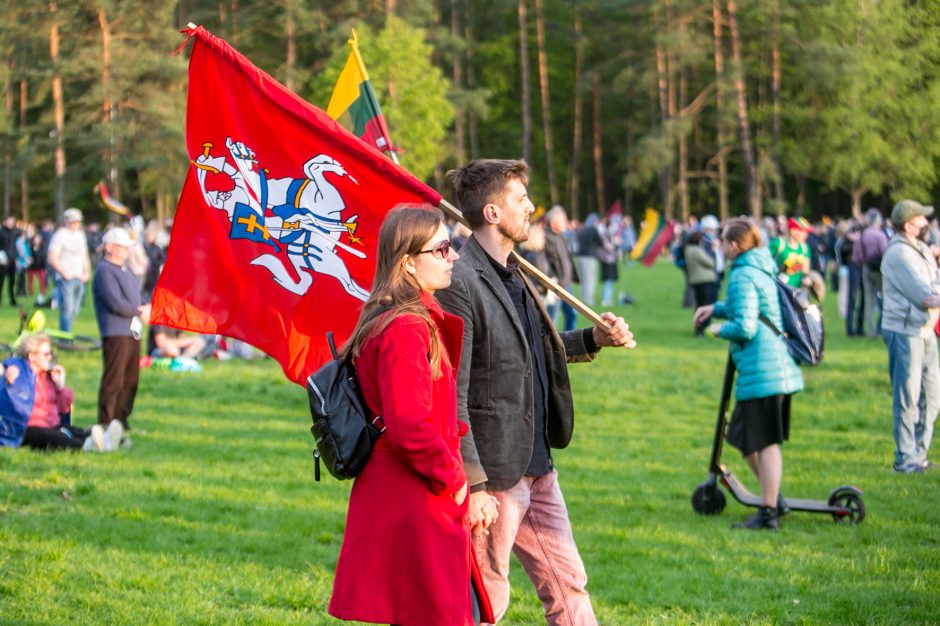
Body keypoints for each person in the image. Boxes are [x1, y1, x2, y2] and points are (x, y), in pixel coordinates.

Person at [437, 159, 635, 625]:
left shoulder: (516, 271)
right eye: (520, 199)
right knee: (486, 597)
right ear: (491, 212)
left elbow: (529, 351)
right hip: (496, 474)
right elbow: (454, 391)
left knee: (569, 587)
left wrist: (592, 339)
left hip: (539, 466)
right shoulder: (460, 282)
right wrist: (477, 483)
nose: (530, 207)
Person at [328, 205, 494, 626]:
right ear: (407, 262)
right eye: (441, 249)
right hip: (417, 499)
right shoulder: (406, 327)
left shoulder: (409, 319)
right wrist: (455, 479)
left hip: (418, 495)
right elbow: (410, 427)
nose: (453, 255)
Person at [693, 218, 804, 530]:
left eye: (723, 241)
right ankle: (773, 499)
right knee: (744, 438)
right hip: (770, 369)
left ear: (733, 245)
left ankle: (769, 512)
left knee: (765, 442)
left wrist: (717, 330)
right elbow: (749, 307)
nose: (719, 246)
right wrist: (714, 308)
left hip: (764, 371)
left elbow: (745, 326)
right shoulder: (758, 267)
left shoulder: (742, 274)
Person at [880, 199, 940, 473]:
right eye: (921, 220)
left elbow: (935, 284)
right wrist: (934, 295)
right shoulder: (899, 254)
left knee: (932, 397)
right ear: (908, 225)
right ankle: (904, 459)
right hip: (905, 333)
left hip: (926, 331)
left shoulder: (922, 250)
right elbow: (925, 296)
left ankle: (918, 455)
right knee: (908, 399)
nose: (927, 223)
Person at [0, 334, 121, 452]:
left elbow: (64, 410)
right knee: (51, 435)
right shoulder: (17, 371)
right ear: (32, 356)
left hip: (51, 425)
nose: (50, 358)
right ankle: (88, 445)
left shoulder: (48, 376)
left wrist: (60, 385)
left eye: (50, 354)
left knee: (70, 430)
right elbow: (8, 364)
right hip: (26, 429)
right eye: (46, 354)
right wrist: (8, 371)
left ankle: (104, 440)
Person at [92, 227, 150, 435]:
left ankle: (121, 420)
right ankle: (106, 421)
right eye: (122, 247)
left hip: (132, 331)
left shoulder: (126, 270)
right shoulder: (104, 271)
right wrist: (138, 311)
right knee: (114, 378)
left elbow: (136, 296)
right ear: (109, 247)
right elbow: (114, 302)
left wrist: (145, 307)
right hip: (116, 331)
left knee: (131, 379)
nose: (126, 250)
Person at [48, 208, 91, 332]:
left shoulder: (80, 235)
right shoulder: (60, 235)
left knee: (75, 309)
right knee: (67, 309)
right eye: (73, 221)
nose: (76, 224)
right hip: (66, 278)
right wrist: (64, 273)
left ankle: (66, 333)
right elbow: (52, 258)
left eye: (78, 221)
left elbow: (84, 254)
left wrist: (87, 271)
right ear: (66, 221)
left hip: (80, 277)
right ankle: (65, 339)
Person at [853, 208, 889, 338]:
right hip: (879, 270)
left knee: (868, 300)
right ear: (878, 220)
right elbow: (885, 253)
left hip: (866, 268)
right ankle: (884, 328)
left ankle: (870, 331)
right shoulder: (881, 235)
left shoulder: (862, 235)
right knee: (885, 299)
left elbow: (856, 257)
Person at [543, 205, 577, 331]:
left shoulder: (563, 236)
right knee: (552, 319)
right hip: (555, 286)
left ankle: (570, 343)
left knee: (572, 315)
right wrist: (552, 283)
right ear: (553, 223)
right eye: (562, 221)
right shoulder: (546, 238)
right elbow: (546, 263)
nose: (565, 223)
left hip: (567, 285)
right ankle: (551, 346)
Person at [685, 231, 719, 335]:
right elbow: (710, 263)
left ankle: (699, 328)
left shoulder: (688, 249)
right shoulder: (696, 250)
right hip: (703, 280)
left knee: (699, 305)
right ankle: (701, 329)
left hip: (696, 280)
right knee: (704, 305)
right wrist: (713, 251)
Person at [769, 216, 812, 289]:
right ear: (793, 231)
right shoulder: (778, 244)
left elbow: (805, 271)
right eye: (803, 231)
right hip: (777, 289)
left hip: (796, 291)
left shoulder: (805, 248)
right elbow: (764, 260)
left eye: (806, 232)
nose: (806, 235)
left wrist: (807, 279)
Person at [0, 215, 19, 306]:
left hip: (12, 260)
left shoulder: (14, 233)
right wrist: (2, 258)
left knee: (12, 281)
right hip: (3, 260)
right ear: (5, 222)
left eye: (12, 221)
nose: (11, 223)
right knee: (1, 281)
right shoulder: (1, 232)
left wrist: (15, 258)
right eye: (9, 221)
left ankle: (12, 300)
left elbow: (14, 247)